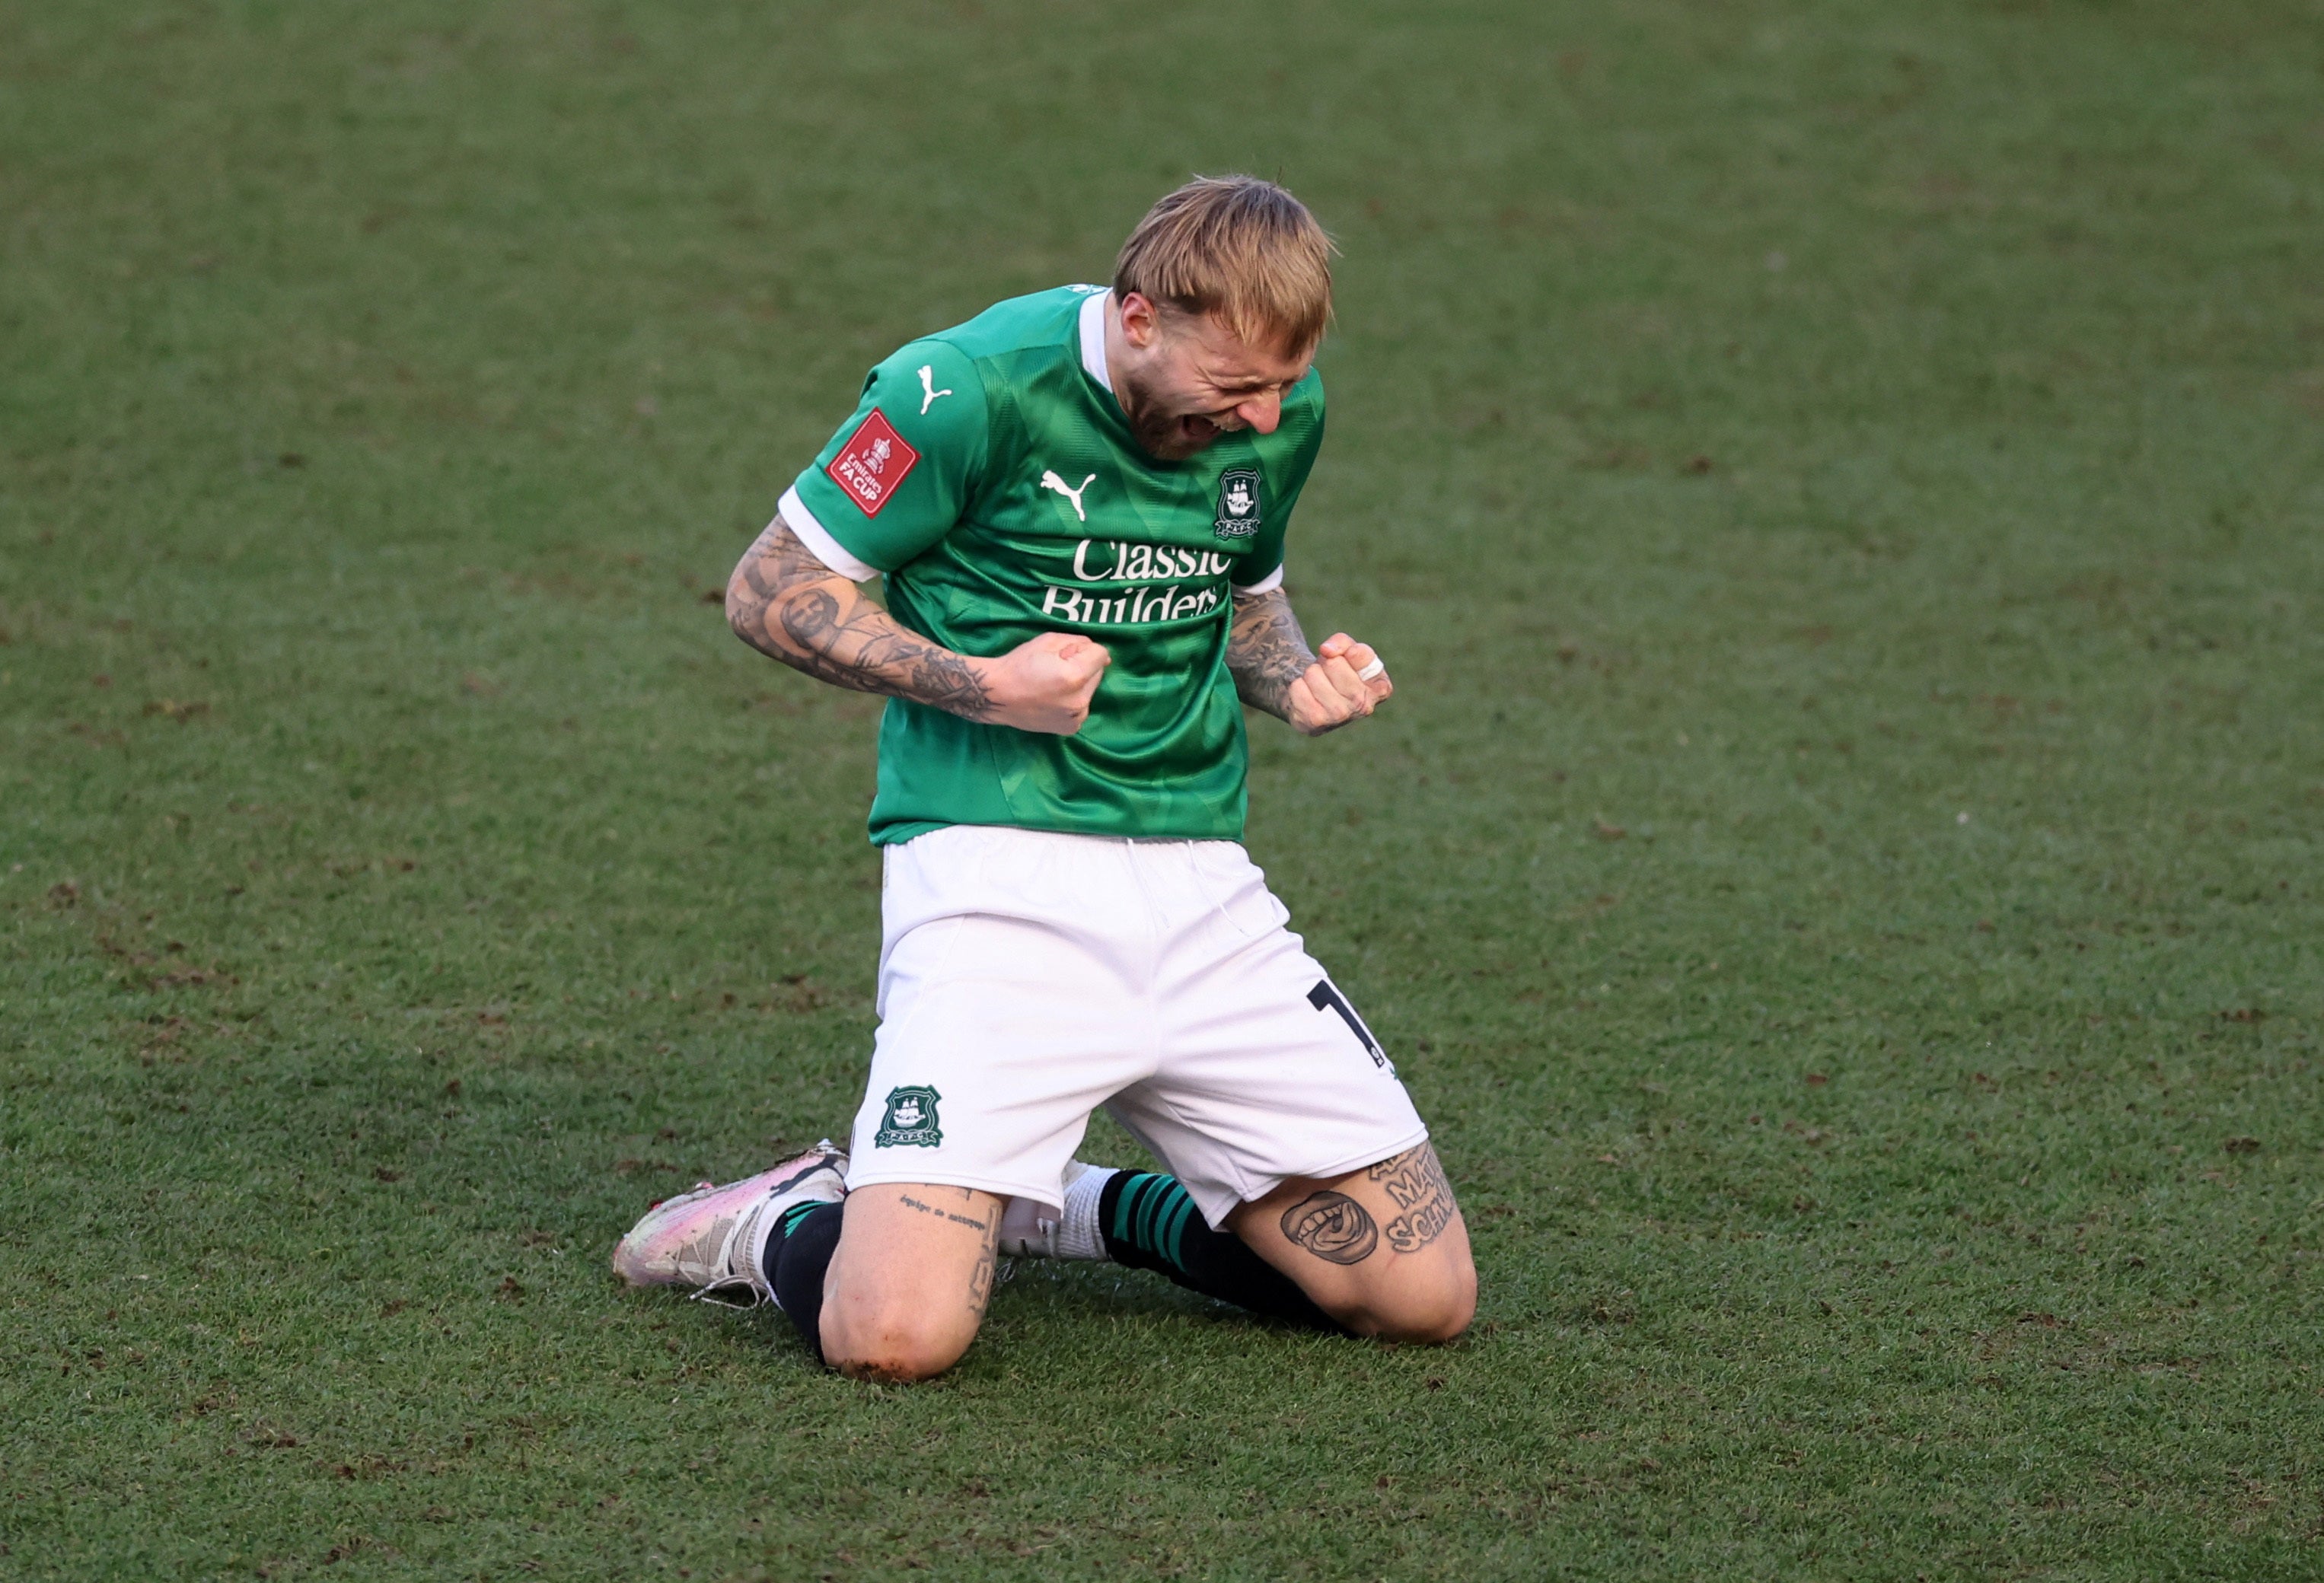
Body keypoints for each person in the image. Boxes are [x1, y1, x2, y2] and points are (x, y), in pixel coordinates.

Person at [611, 175, 1475, 1381]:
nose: (1267, 416)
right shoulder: (961, 390)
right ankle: (788, 1216)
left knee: (1418, 1296)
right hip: (993, 877)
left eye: (1286, 384)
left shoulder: (1272, 411)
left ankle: (1056, 1205)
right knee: (894, 1341)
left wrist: (1297, 682)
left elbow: (1241, 602)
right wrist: (987, 685)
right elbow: (771, 590)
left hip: (1203, 885)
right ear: (1139, 318)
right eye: (1236, 386)